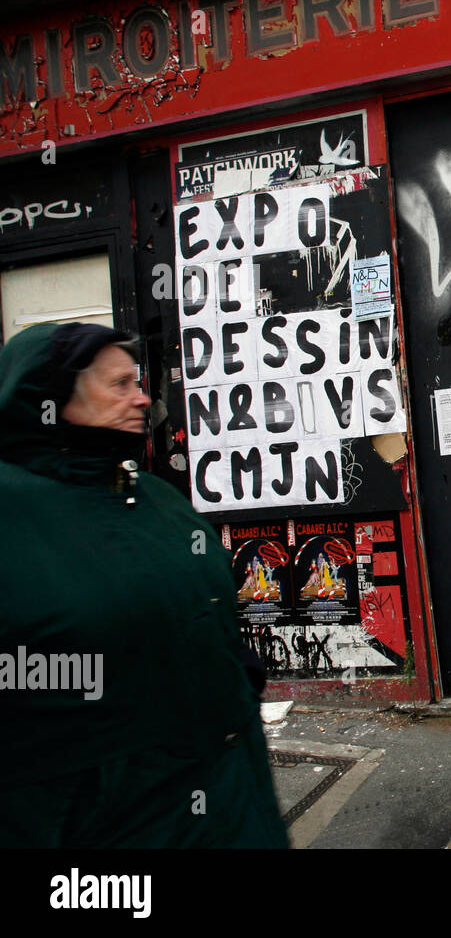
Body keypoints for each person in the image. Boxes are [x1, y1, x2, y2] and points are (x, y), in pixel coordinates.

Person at [0, 322, 288, 848]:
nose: (142, 399)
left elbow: (201, 597)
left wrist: (235, 673)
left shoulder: (153, 495)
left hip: (229, 800)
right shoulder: (14, 514)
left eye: (138, 383)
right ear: (50, 401)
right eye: (119, 385)